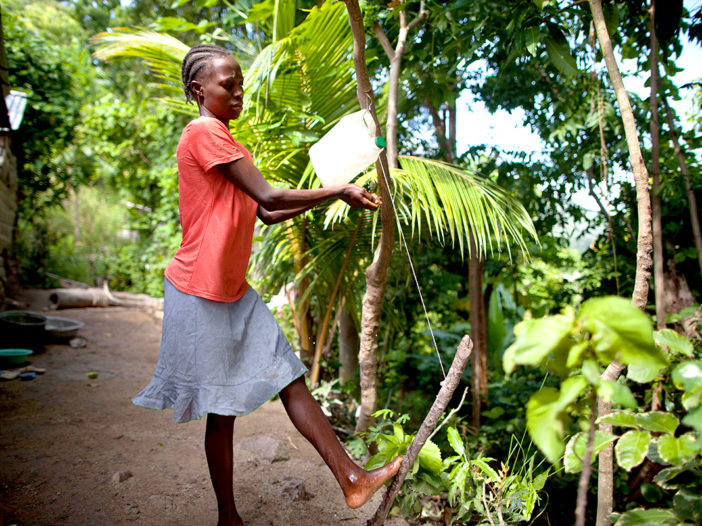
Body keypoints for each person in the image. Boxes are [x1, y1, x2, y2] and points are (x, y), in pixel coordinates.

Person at [132, 44, 402, 526]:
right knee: (221, 409)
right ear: (198, 90)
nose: (238, 92)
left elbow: (269, 212)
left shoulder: (227, 141)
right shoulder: (203, 132)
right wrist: (337, 190)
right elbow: (270, 194)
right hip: (200, 290)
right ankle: (228, 517)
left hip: (232, 288)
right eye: (227, 85)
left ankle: (352, 479)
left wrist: (330, 199)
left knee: (289, 377)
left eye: (240, 83)